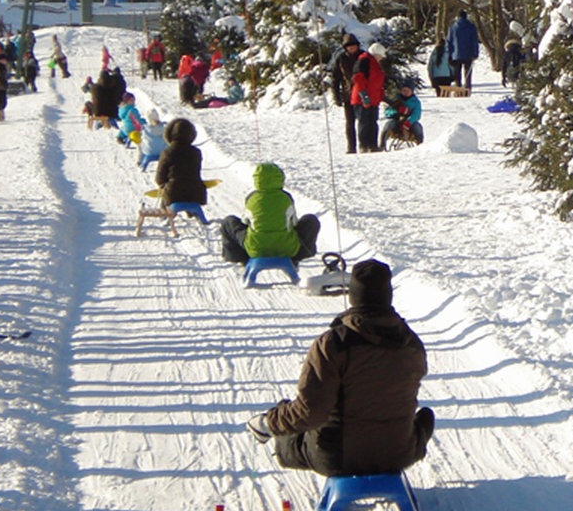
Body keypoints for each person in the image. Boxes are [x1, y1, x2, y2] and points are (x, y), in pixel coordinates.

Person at [247, 259, 434, 477]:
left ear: (353, 296)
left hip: (338, 458)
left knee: (288, 427)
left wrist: (268, 422)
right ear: (388, 295)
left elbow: (310, 411)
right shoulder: (412, 343)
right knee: (424, 417)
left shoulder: (333, 343)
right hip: (398, 454)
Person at [220, 162, 320, 264]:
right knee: (311, 219)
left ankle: (240, 258)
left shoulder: (251, 198)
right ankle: (299, 256)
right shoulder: (286, 198)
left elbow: (245, 222)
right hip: (286, 248)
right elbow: (294, 223)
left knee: (229, 222)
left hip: (256, 249)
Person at [155, 117, 207, 208]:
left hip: (173, 194)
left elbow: (160, 178)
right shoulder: (196, 152)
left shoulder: (167, 152)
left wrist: (163, 185)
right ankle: (191, 211)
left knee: (167, 191)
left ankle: (164, 213)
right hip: (195, 194)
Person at [351, 41, 387, 153]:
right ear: (376, 54)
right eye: (380, 56)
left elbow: (376, 83)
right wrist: (364, 96)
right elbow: (358, 79)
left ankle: (373, 145)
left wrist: (380, 95)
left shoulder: (375, 64)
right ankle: (364, 146)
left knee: (372, 122)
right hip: (363, 99)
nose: (381, 59)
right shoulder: (364, 60)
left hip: (373, 100)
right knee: (364, 122)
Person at [330, 34, 362, 154]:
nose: (352, 48)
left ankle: (365, 145)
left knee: (363, 121)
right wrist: (336, 95)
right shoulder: (341, 58)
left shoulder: (363, 56)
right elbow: (335, 78)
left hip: (362, 94)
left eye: (353, 46)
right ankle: (351, 147)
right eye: (349, 46)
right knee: (350, 122)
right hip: (348, 94)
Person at [379, 78, 424, 150]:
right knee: (388, 124)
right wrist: (395, 112)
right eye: (404, 90)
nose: (405, 92)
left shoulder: (415, 102)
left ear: (412, 91)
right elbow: (387, 111)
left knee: (418, 127)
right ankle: (382, 145)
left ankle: (420, 145)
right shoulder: (396, 99)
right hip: (396, 121)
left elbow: (416, 114)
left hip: (409, 123)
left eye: (408, 91)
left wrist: (408, 122)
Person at [446, 10, 479, 91]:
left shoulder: (453, 27)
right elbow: (474, 40)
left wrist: (448, 54)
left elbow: (449, 41)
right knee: (468, 71)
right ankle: (468, 87)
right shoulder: (471, 27)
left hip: (456, 54)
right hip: (468, 53)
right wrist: (475, 52)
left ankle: (458, 87)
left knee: (457, 72)